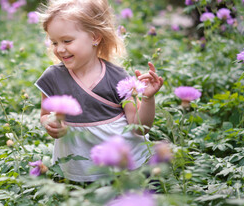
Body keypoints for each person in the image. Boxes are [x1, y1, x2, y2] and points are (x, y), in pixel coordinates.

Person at [35, 0, 164, 182]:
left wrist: (148, 99)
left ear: (95, 37)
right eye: (54, 42)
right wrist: (49, 123)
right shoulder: (52, 77)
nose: (60, 49)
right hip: (78, 167)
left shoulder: (116, 76)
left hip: (122, 167)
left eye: (67, 41)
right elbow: (45, 114)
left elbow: (139, 127)